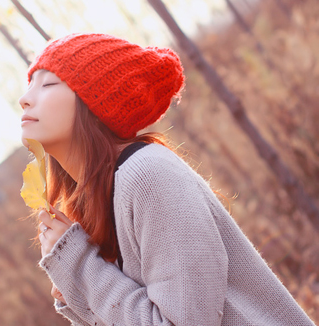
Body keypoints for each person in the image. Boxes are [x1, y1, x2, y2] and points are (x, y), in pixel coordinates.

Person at [19, 33, 315, 326]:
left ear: (95, 106)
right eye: (30, 84)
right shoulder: (101, 202)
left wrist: (82, 268)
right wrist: (79, 289)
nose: (25, 99)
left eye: (48, 84)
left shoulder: (148, 175)